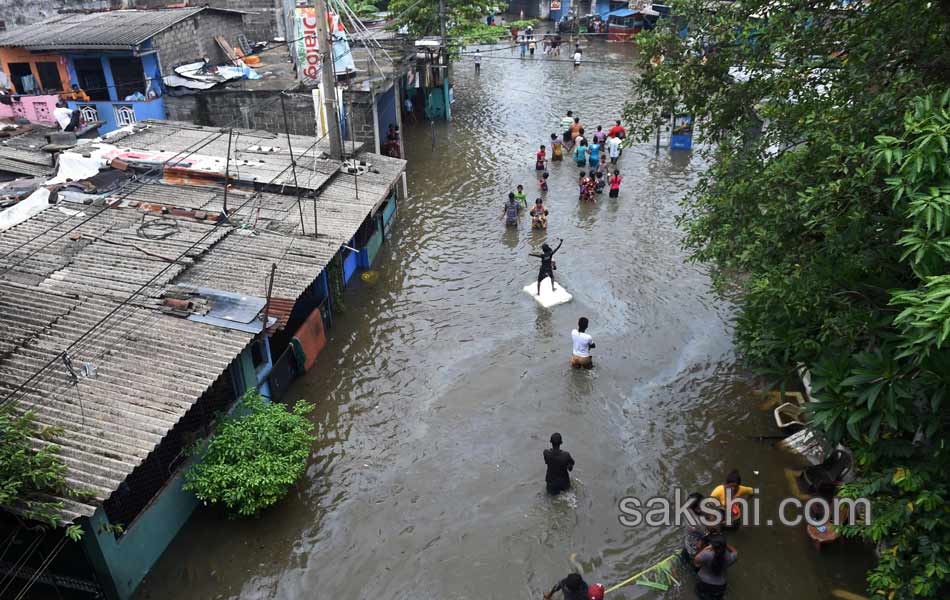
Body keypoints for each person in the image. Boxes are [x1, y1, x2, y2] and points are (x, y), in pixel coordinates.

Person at [693, 534, 737, 600]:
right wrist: (725, 545)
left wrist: (704, 549)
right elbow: (735, 551)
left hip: (704, 583)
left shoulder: (706, 554)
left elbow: (696, 562)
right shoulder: (730, 557)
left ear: (712, 546)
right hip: (720, 586)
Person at [682, 492, 710, 565]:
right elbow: (706, 536)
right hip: (695, 547)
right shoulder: (697, 524)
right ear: (697, 508)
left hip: (688, 540)